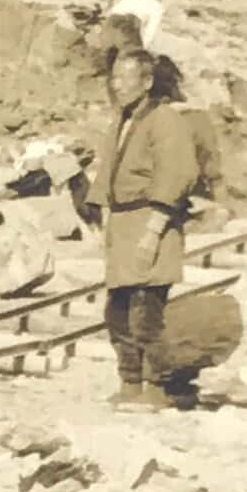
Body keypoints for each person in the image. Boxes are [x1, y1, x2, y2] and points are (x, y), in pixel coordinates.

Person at [85, 47, 201, 412]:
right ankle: (130, 382)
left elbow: (177, 174)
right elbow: (108, 171)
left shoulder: (165, 120)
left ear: (147, 81)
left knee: (146, 312)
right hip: (124, 225)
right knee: (118, 311)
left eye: (125, 78)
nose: (117, 85)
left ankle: (158, 385)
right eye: (114, 78)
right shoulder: (123, 119)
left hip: (151, 221)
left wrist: (153, 231)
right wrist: (99, 215)